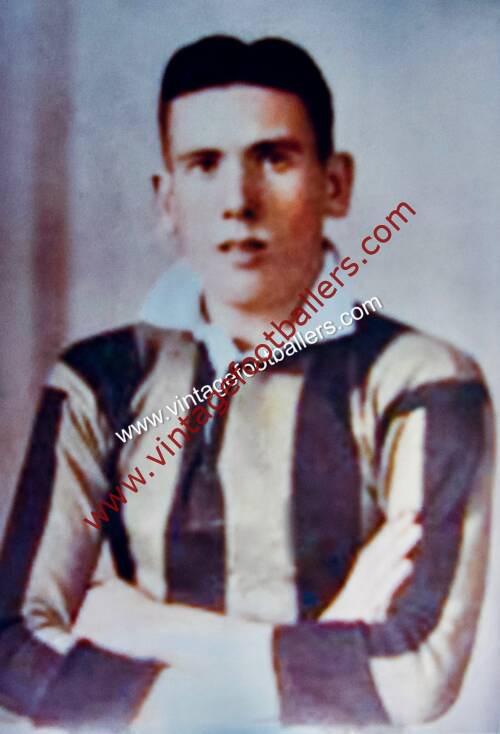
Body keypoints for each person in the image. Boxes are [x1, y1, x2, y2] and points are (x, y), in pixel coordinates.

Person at [0, 35, 494, 734]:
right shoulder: (99, 379)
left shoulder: (423, 381)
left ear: (334, 184)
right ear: (167, 199)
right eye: (204, 165)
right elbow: (14, 647)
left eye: (274, 158)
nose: (238, 200)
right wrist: (328, 643)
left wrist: (140, 627)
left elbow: (415, 672)